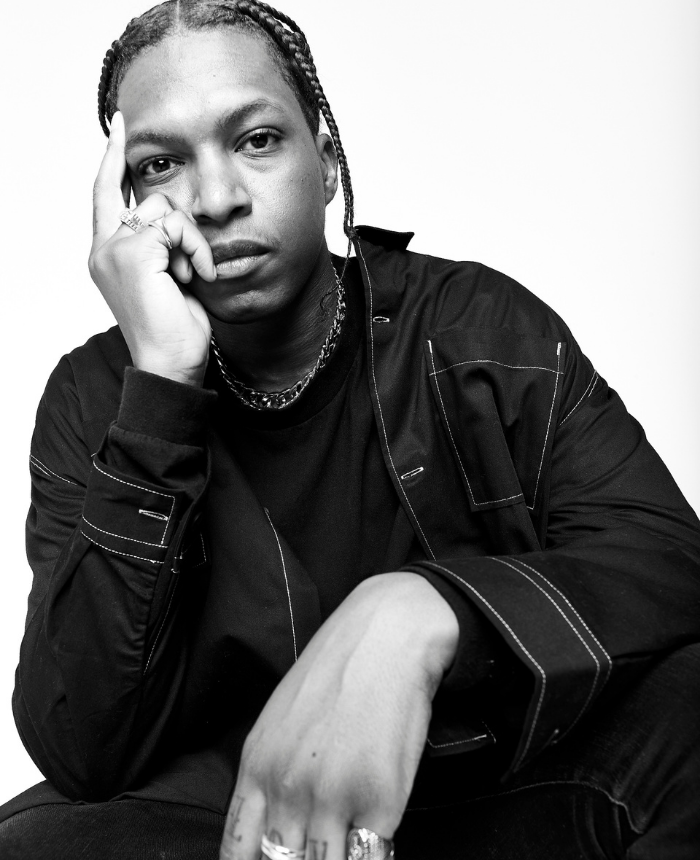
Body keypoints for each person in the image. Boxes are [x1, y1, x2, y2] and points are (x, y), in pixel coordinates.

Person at [1, 0, 699, 858]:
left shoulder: (477, 327)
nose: (216, 198)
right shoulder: (99, 391)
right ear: (125, 206)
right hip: (235, 827)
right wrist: (161, 390)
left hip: (490, 795)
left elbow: (666, 567)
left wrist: (425, 610)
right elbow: (81, 746)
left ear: (326, 162)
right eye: (160, 164)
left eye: (257, 140)